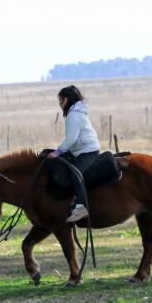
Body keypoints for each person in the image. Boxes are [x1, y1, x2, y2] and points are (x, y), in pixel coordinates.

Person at [48, 85, 101, 223]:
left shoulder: (74, 114)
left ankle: (81, 208)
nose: (60, 104)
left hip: (88, 151)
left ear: (65, 100)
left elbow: (71, 138)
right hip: (81, 150)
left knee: (76, 174)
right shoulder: (76, 112)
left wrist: (58, 151)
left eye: (60, 101)